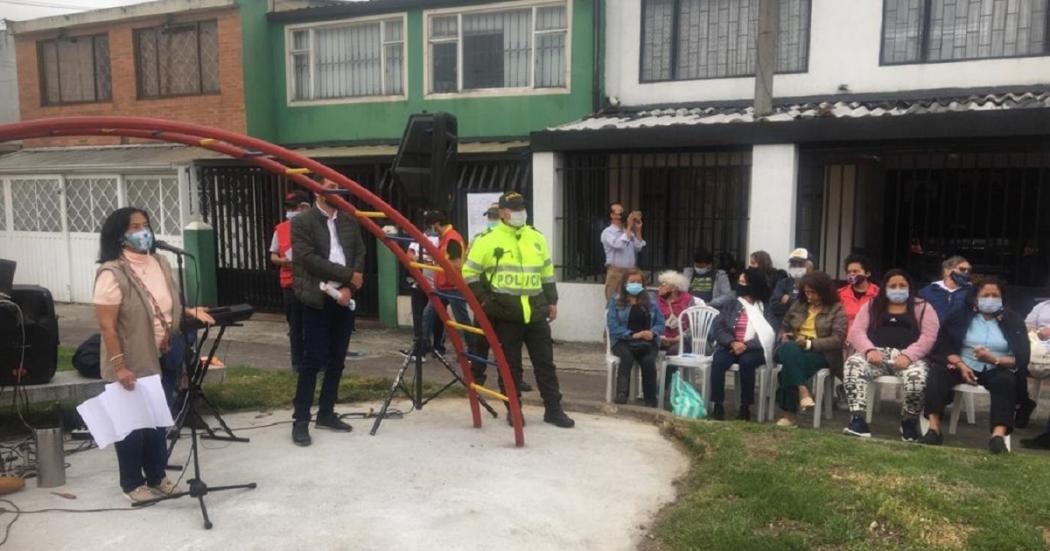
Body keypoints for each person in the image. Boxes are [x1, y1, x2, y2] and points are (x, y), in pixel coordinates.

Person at [94, 207, 214, 502]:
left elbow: (164, 303)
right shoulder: (112, 273)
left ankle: (157, 476)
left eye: (145, 225)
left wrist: (187, 310)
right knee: (134, 423)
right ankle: (132, 483)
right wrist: (119, 366)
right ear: (119, 235)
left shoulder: (160, 261)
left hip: (167, 352)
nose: (142, 231)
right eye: (134, 227)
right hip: (133, 358)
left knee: (159, 419)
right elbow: (107, 327)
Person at [463, 191, 574, 428]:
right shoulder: (487, 239)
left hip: (535, 312)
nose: (520, 213)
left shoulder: (535, 237)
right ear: (502, 212)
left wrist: (552, 300)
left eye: (522, 208)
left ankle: (553, 410)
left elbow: (546, 272)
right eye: (514, 209)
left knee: (545, 364)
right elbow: (469, 273)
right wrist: (485, 301)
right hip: (506, 314)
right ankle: (514, 410)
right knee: (510, 367)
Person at [289, 179, 366, 446]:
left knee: (337, 358)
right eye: (330, 185)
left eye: (338, 185)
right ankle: (300, 420)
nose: (336, 190)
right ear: (316, 190)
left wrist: (349, 288)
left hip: (343, 299)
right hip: (317, 298)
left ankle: (326, 412)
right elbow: (308, 259)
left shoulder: (349, 221)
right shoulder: (302, 222)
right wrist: (348, 276)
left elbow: (359, 254)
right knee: (313, 360)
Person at [922, 279, 1031, 454]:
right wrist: (960, 365)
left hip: (997, 367)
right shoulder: (959, 316)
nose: (991, 299)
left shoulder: (1013, 320)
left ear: (1002, 299)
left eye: (995, 295)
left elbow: (1021, 357)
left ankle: (998, 436)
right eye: (985, 295)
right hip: (962, 364)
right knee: (937, 374)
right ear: (974, 299)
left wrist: (993, 359)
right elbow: (944, 347)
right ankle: (934, 429)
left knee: (1006, 382)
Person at [841, 270, 939, 441]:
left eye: (902, 285)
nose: (898, 289)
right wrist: (869, 350)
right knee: (852, 365)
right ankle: (858, 421)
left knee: (918, 379)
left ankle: (909, 422)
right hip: (875, 355)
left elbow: (929, 336)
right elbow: (857, 331)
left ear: (910, 287)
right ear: (885, 288)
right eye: (893, 286)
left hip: (909, 358)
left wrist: (909, 355)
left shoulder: (923, 307)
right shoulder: (872, 305)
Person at [468, 203, 533, 392]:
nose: (491, 220)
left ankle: (508, 379)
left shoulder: (514, 238)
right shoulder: (481, 239)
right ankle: (477, 376)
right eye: (490, 216)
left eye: (493, 216)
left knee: (508, 344)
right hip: (487, 299)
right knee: (485, 341)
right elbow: (470, 269)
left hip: (504, 300)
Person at [774, 271, 847, 427]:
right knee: (790, 349)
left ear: (824, 292)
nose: (809, 296)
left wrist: (810, 344)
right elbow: (784, 326)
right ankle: (802, 389)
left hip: (819, 352)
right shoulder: (799, 305)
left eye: (813, 292)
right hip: (791, 347)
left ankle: (789, 416)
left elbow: (837, 339)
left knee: (790, 366)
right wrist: (784, 336)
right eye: (806, 292)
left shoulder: (836, 309)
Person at [708, 268, 776, 421]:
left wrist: (746, 345)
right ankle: (718, 404)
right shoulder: (732, 303)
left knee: (747, 362)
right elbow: (718, 327)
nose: (740, 285)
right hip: (730, 346)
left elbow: (770, 333)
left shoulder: (765, 307)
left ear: (754, 285)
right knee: (718, 362)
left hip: (754, 349)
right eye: (739, 282)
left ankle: (745, 407)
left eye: (744, 282)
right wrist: (732, 342)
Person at [607, 269, 665, 406]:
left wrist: (652, 332)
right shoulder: (616, 300)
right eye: (632, 282)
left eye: (638, 282)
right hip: (623, 340)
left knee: (648, 360)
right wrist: (632, 334)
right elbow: (612, 326)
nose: (636, 284)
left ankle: (650, 400)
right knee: (626, 357)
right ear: (625, 283)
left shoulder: (651, 300)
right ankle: (622, 395)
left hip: (646, 341)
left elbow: (661, 323)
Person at [269, 189, 312, 373]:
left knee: (313, 324)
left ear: (305, 208)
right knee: (295, 326)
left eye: (294, 207)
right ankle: (298, 363)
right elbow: (273, 256)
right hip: (290, 284)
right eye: (289, 208)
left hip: (311, 283)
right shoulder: (281, 229)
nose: (291, 211)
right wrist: (284, 261)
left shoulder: (315, 226)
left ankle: (315, 361)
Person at [419, 210, 470, 356]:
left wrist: (440, 263)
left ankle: (473, 351)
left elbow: (456, 263)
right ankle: (422, 347)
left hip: (453, 287)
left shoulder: (452, 239)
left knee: (462, 320)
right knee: (427, 315)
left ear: (435, 224)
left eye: (429, 226)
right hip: (441, 287)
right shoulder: (444, 239)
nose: (429, 230)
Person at [1020, 298, 1050, 449]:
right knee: (1012, 365)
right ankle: (1024, 403)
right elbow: (1027, 325)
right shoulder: (1042, 305)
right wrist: (1035, 332)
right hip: (1037, 349)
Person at [600, 202, 645, 301]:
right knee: (614, 303)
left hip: (631, 273)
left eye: (622, 210)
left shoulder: (628, 232)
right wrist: (629, 227)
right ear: (612, 215)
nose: (622, 213)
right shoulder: (607, 232)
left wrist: (638, 230)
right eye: (619, 211)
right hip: (616, 273)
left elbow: (638, 247)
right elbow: (618, 245)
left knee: (632, 302)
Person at [656, 270, 702, 352]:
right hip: (660, 338)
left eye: (663, 285)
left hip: (682, 339)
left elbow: (696, 324)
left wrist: (681, 337)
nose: (659, 287)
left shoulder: (688, 300)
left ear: (673, 288)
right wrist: (658, 336)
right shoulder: (656, 301)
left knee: (673, 351)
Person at [918, 256, 972, 324]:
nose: (966, 272)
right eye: (962, 269)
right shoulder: (926, 292)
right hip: (932, 332)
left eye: (969, 270)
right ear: (947, 271)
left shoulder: (972, 292)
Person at [770, 248, 813, 331]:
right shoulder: (783, 283)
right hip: (785, 327)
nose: (796, 267)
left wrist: (789, 300)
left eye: (800, 264)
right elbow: (774, 306)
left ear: (809, 265)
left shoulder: (815, 283)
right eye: (793, 264)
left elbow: (809, 306)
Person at [838, 254, 880, 331]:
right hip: (845, 339)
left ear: (867, 273)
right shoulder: (840, 294)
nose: (852, 274)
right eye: (849, 272)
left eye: (855, 271)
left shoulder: (878, 294)